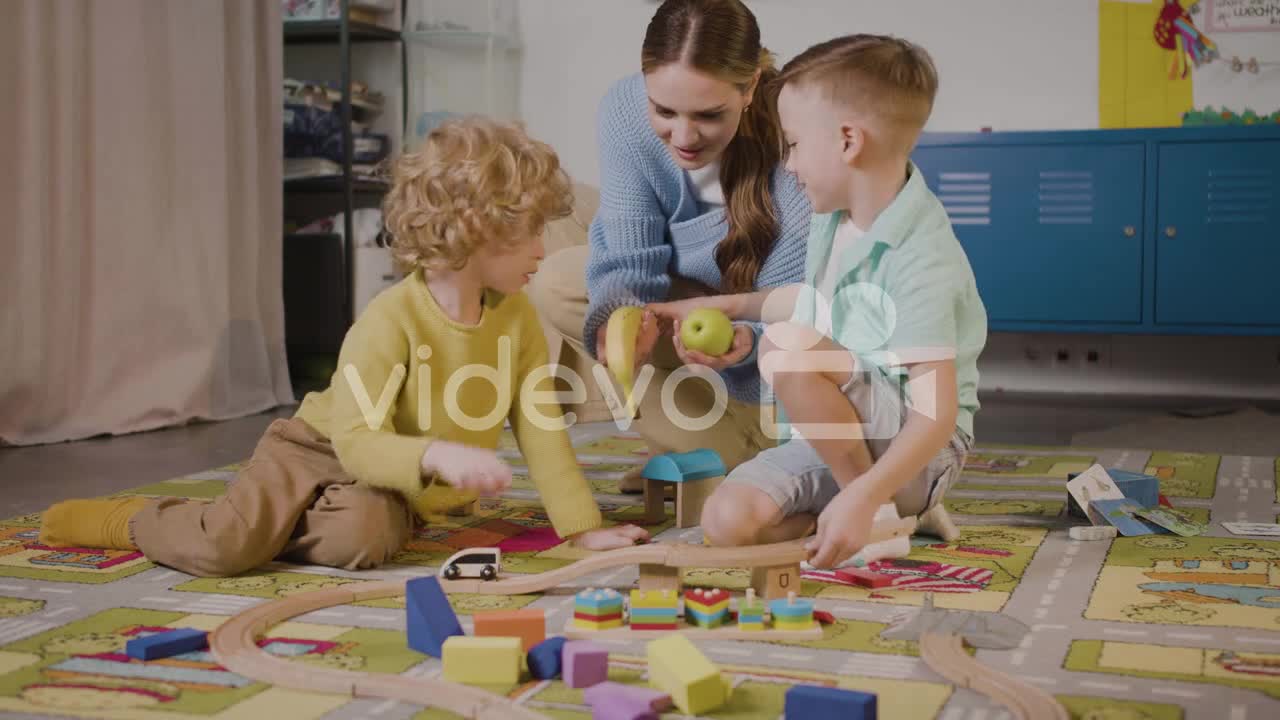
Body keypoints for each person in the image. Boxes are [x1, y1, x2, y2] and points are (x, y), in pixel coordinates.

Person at [37, 118, 649, 577]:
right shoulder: (390, 320)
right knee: (224, 548)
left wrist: (582, 530)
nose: (544, 248)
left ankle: (272, 522)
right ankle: (135, 519)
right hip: (318, 448)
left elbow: (542, 430)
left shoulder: (515, 317)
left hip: (396, 481)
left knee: (360, 542)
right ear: (475, 229)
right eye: (529, 232)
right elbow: (356, 441)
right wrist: (438, 455)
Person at [650, 34, 988, 569]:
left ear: (848, 141)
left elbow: (935, 415)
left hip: (918, 452)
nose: (788, 165)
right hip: (836, 441)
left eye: (794, 145)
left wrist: (865, 493)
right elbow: (813, 302)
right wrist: (727, 307)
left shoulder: (922, 255)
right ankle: (882, 520)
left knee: (788, 349)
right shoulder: (833, 220)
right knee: (724, 521)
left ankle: (874, 508)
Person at [529, 0, 811, 491]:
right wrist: (621, 315)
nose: (683, 136)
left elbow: (794, 327)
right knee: (557, 268)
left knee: (774, 456)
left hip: (767, 376)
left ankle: (742, 452)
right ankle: (691, 442)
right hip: (687, 306)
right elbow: (626, 248)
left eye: (708, 115)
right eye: (664, 110)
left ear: (749, 89)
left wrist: (740, 343)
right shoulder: (624, 109)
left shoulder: (799, 152)